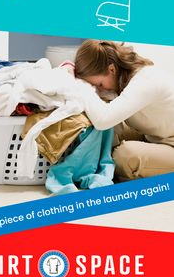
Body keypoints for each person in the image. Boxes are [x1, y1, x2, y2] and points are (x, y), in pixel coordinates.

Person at [73, 39, 174, 181]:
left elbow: (103, 120)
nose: (99, 90)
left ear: (112, 69)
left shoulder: (145, 80)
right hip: (155, 137)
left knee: (125, 155)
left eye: (99, 84)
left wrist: (82, 87)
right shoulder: (121, 79)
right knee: (104, 130)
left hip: (171, 144)